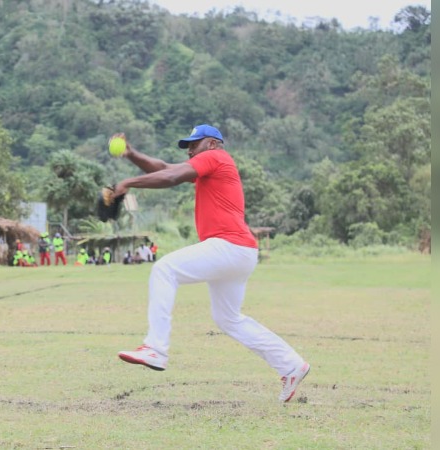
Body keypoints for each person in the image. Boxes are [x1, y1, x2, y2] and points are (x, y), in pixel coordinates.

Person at [112, 125, 309, 403]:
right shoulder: (209, 163)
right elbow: (163, 166)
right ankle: (290, 364)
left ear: (213, 143)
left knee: (164, 269)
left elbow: (170, 176)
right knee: (228, 318)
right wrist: (131, 154)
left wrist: (128, 183)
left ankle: (155, 348)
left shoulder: (217, 157)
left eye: (195, 143)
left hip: (228, 245)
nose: (190, 149)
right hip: (241, 251)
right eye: (188, 145)